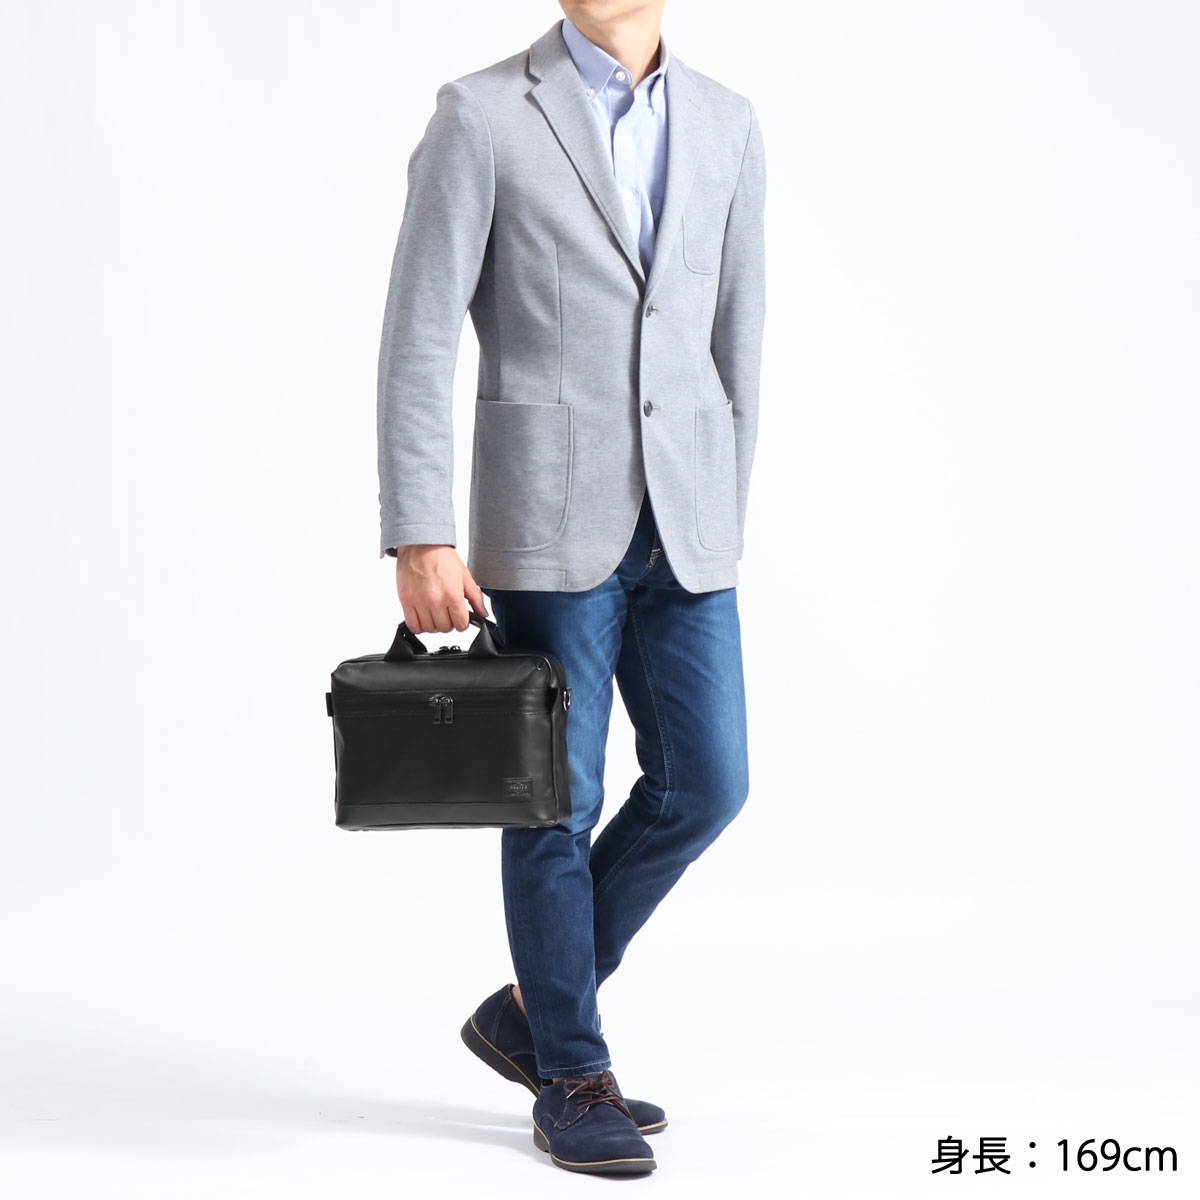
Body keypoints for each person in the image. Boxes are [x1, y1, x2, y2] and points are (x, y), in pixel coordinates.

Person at [376, 1, 765, 1177]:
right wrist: (421, 532)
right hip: (544, 515)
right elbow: (419, 336)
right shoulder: (483, 113)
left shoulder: (728, 124)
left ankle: (529, 1015)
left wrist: (723, 510)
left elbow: (737, 340)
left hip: (684, 522)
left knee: (708, 784)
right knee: (556, 799)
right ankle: (573, 1074)